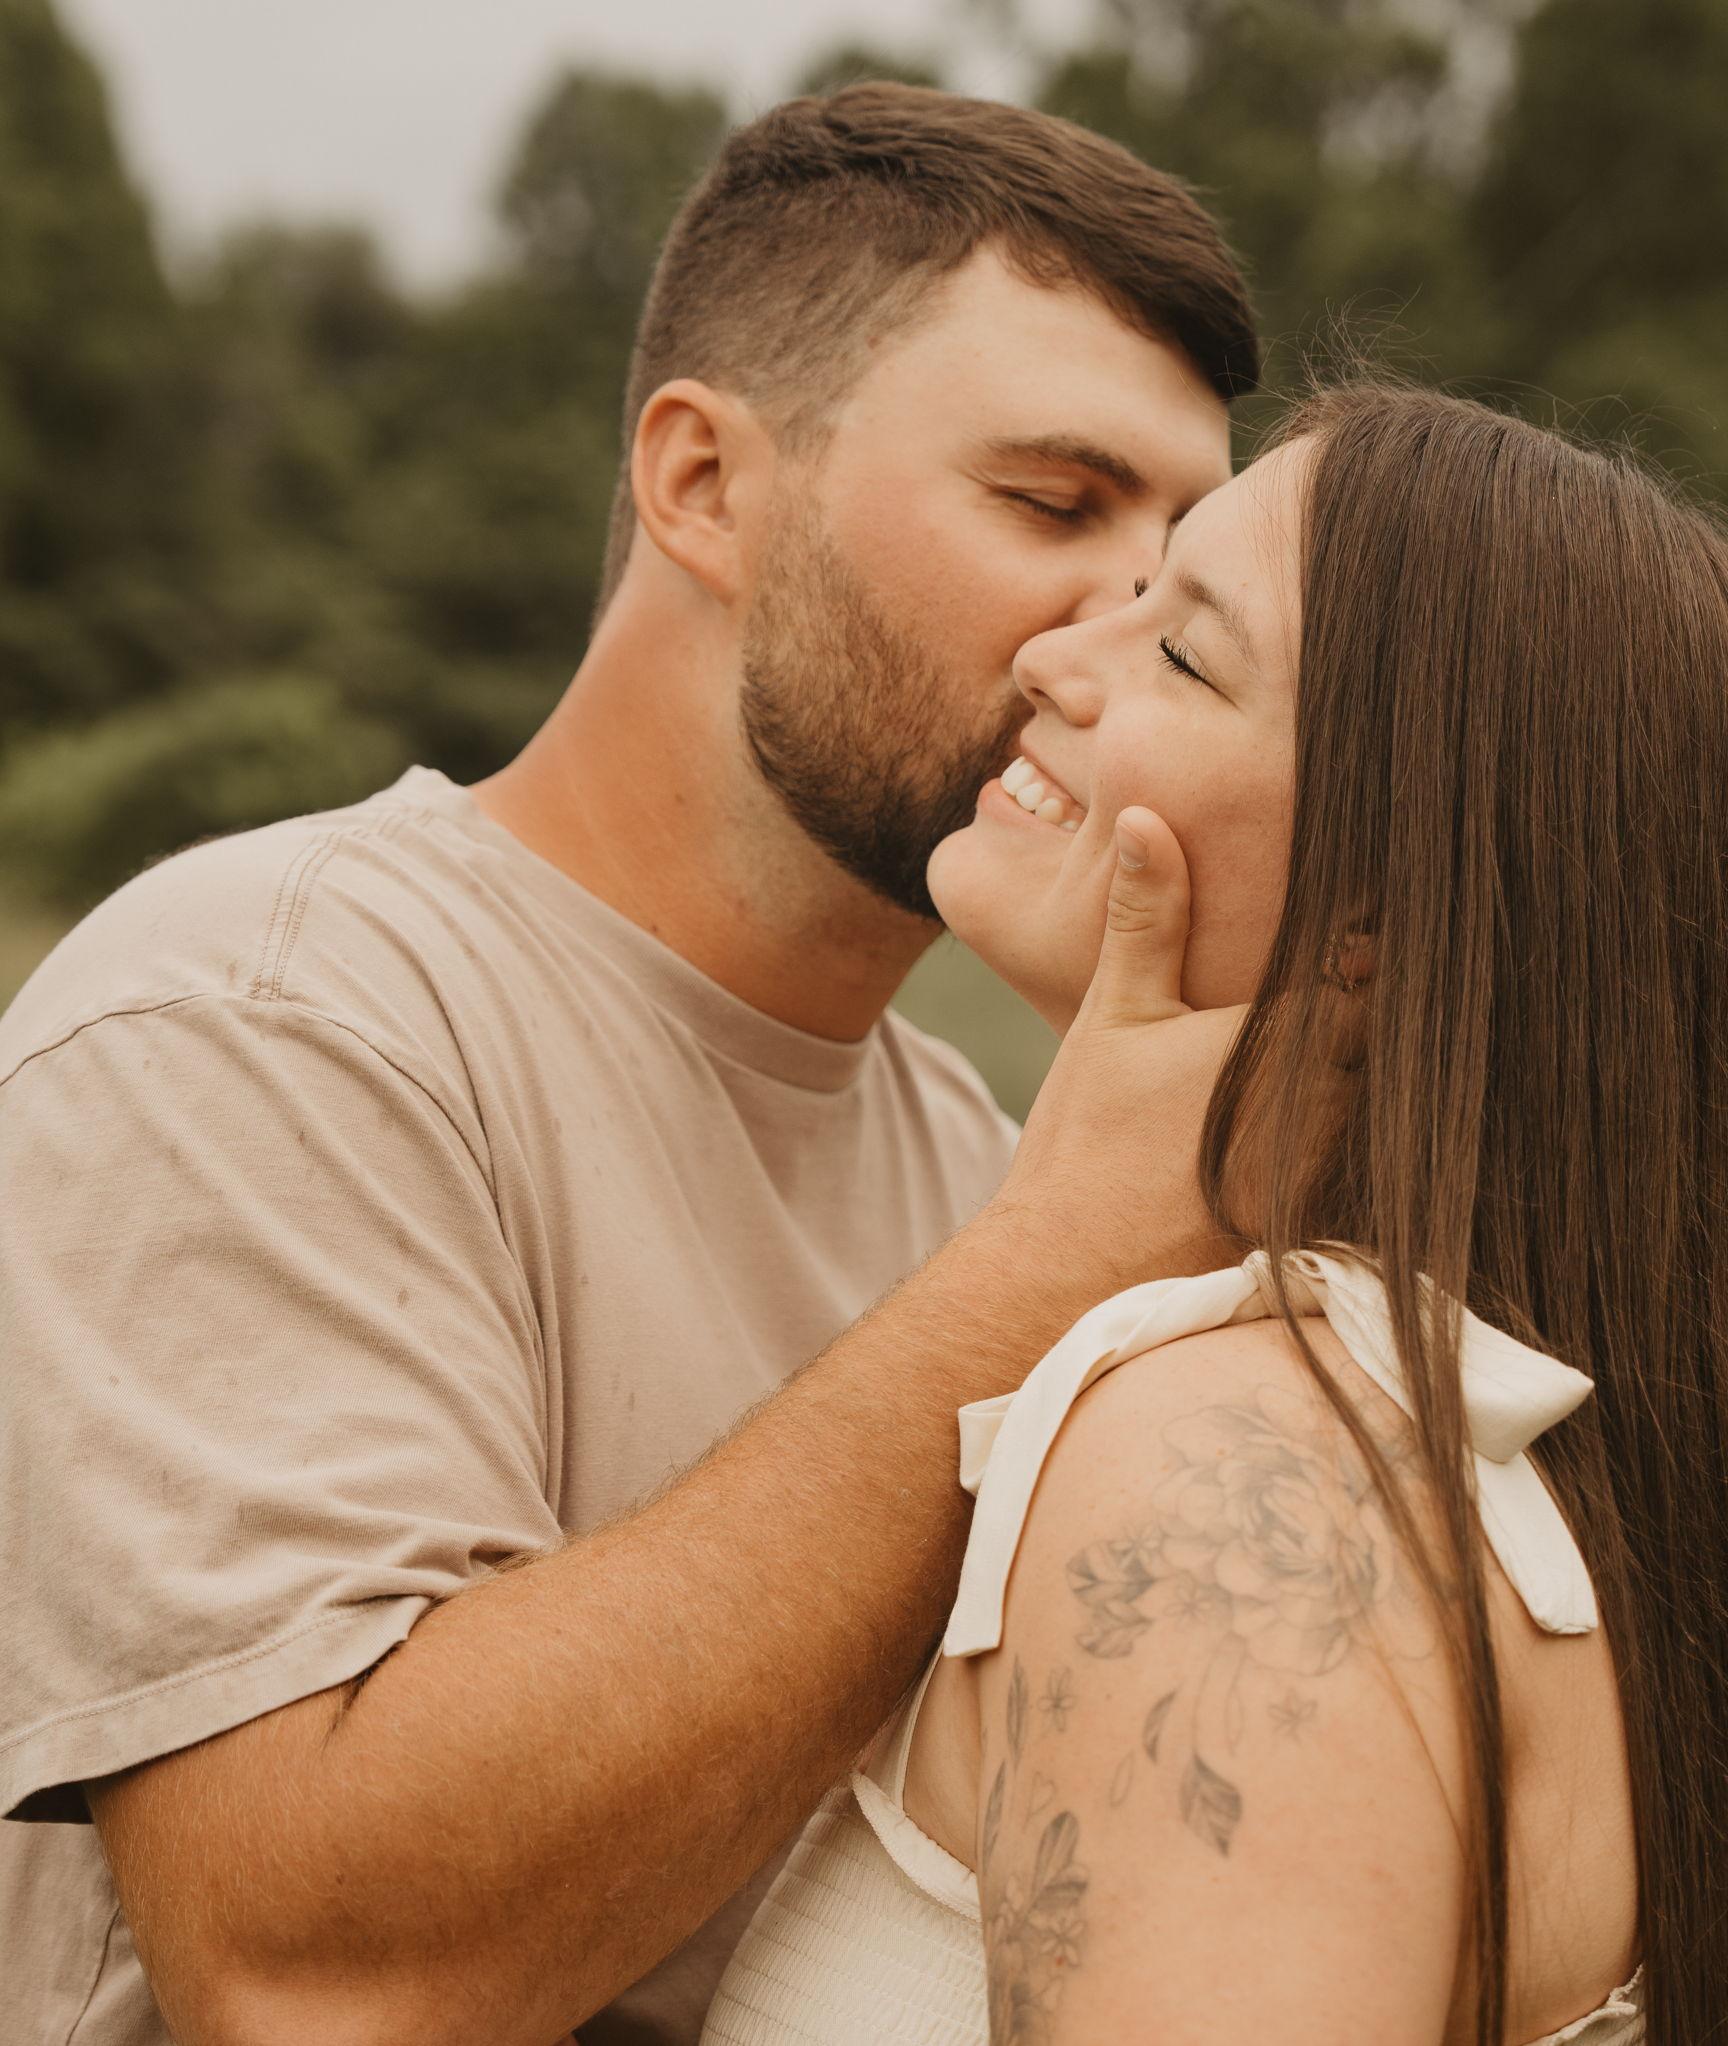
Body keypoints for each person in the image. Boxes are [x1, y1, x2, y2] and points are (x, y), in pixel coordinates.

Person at [0, 85, 1260, 2046]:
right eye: (1052, 504)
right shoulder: (259, 1015)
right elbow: (316, 1974)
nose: (1124, 622)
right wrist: (1062, 1258)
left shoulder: (978, 1158)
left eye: (1181, 563)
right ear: (702, 485)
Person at [703, 380, 1728, 2045]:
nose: (1053, 656)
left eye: (1179, 650)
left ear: (1383, 912)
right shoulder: (1485, 1450)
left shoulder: (1235, 1486)